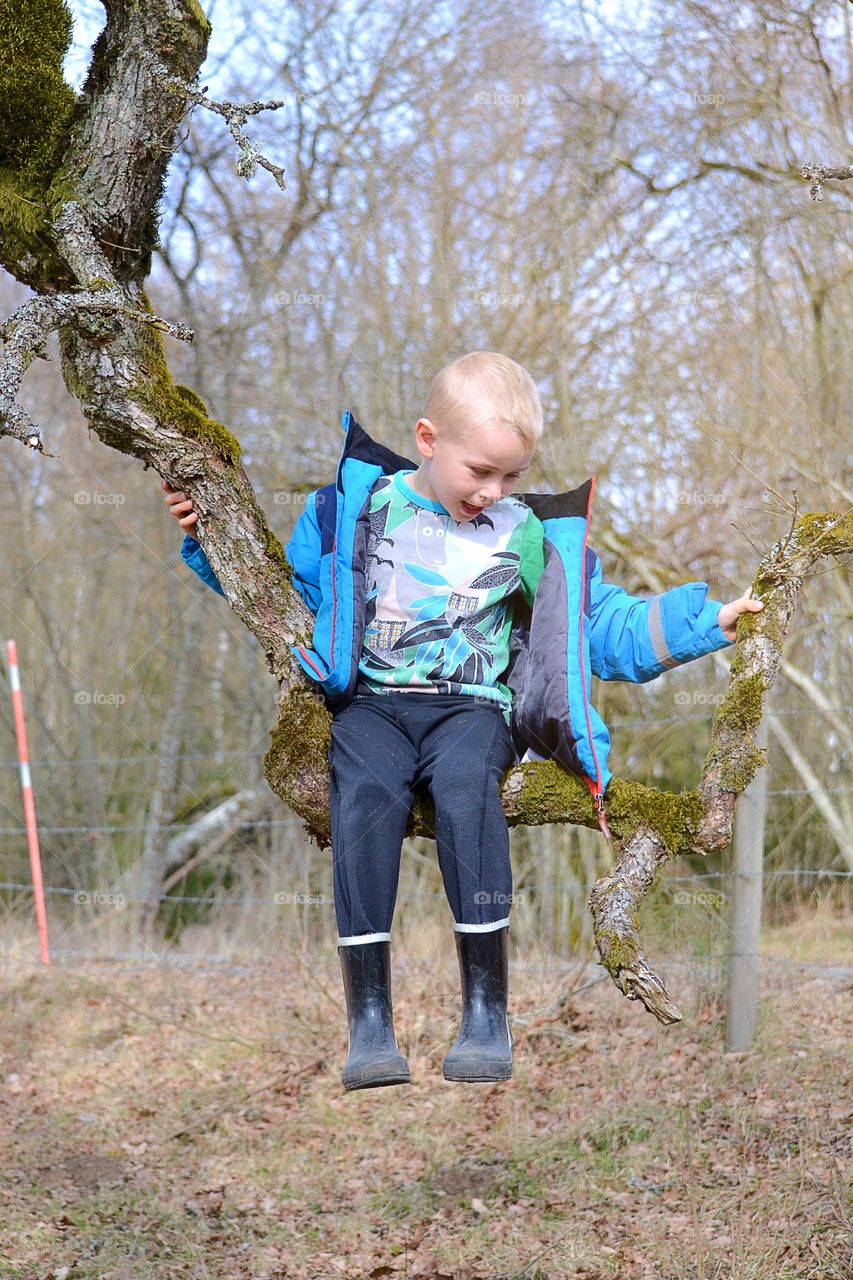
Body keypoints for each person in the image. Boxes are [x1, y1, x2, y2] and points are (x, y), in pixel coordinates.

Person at [163, 351, 763, 1091]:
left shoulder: (527, 536)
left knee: (466, 785)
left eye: (510, 476)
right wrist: (206, 536)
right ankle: (369, 1020)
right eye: (479, 471)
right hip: (373, 705)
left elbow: (602, 628)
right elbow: (283, 594)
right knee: (364, 790)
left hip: (473, 709)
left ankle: (486, 1011)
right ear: (426, 438)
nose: (493, 491)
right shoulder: (353, 510)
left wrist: (708, 621)